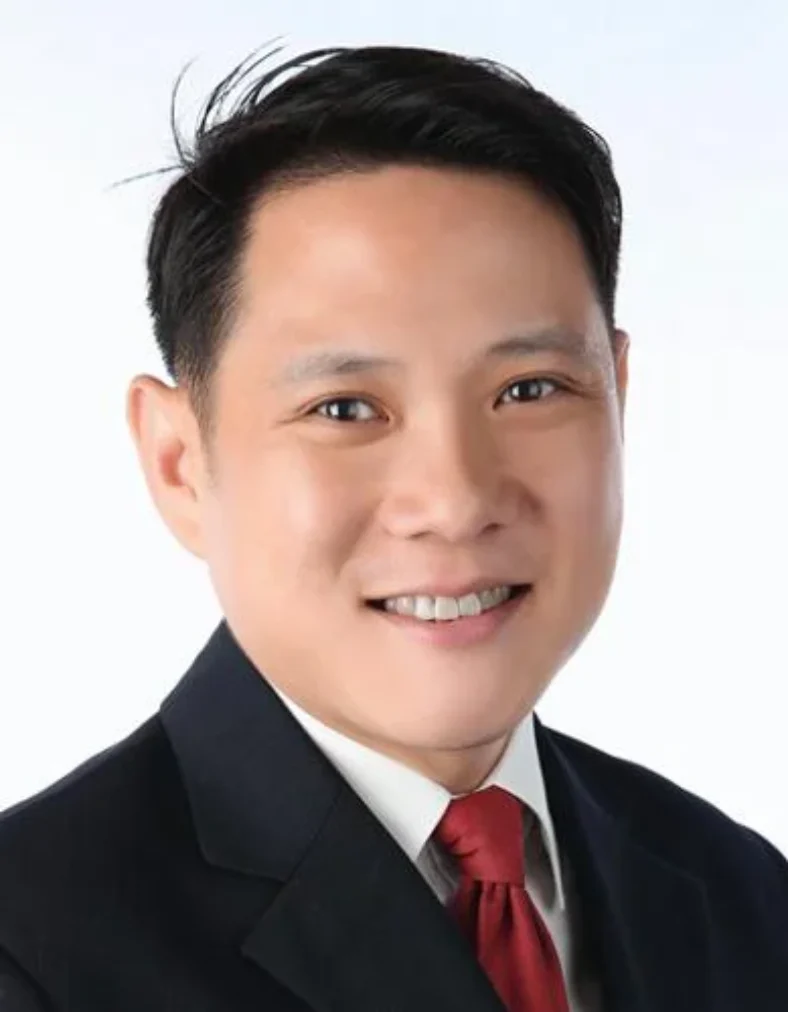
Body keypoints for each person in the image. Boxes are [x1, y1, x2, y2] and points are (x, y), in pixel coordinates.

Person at [0, 43, 785, 1012]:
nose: (454, 499)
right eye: (344, 408)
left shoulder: (737, 893)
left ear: (618, 398)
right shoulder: (30, 950)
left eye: (529, 389)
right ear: (179, 462)